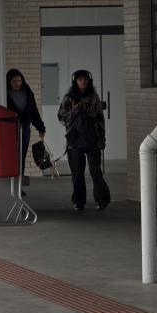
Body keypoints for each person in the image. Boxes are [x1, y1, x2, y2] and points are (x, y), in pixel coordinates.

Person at [57, 69, 110, 211]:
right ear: (75, 81)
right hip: (74, 140)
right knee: (77, 172)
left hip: (92, 138)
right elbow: (61, 117)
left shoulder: (94, 97)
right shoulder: (68, 97)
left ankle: (101, 199)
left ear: (89, 81)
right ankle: (79, 201)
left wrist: (102, 139)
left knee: (95, 170)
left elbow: (100, 119)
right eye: (80, 79)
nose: (83, 81)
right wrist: (74, 111)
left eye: (85, 79)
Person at [6, 69, 46, 180]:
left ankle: (19, 184)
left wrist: (41, 128)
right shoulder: (4, 94)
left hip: (25, 128)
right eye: (14, 81)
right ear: (9, 82)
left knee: (22, 155)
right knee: (11, 155)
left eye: (19, 80)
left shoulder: (27, 92)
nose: (17, 83)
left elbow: (34, 112)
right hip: (10, 129)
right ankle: (10, 183)